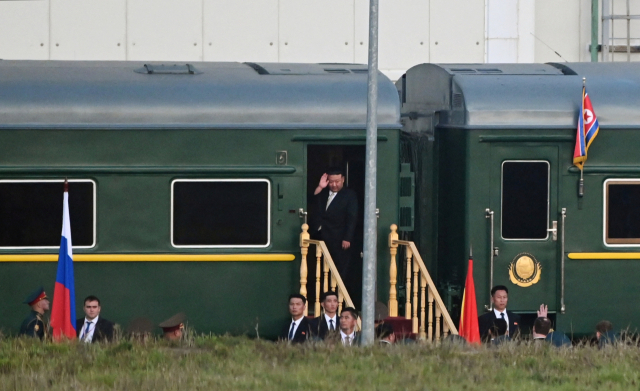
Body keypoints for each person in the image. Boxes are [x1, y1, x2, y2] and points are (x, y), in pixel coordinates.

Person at [312, 169, 358, 282]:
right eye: (331, 182)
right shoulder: (323, 192)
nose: (334, 185)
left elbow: (352, 218)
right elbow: (311, 202)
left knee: (338, 268)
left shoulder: (349, 195)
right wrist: (320, 187)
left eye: (337, 181)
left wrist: (347, 238)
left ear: (343, 179)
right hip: (320, 235)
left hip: (338, 237)